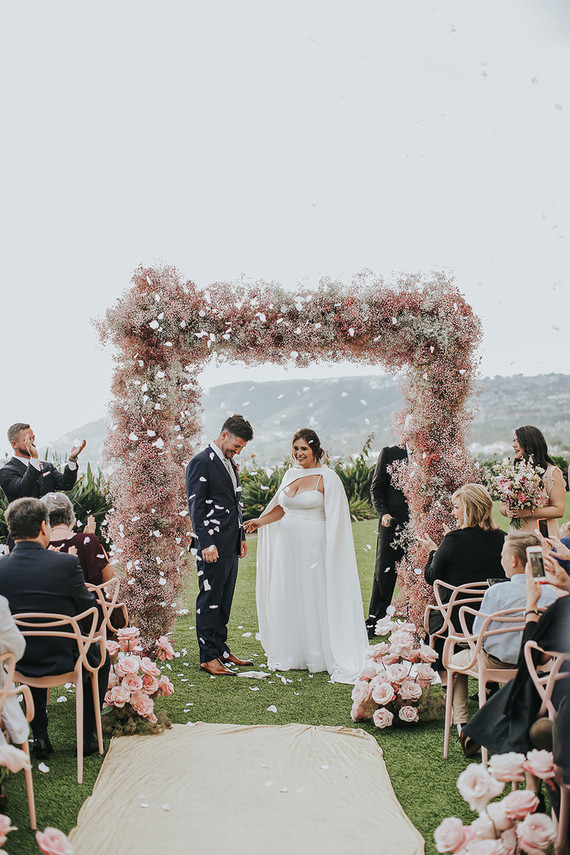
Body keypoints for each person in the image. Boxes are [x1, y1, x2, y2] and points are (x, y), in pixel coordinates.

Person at [244, 428, 368, 684]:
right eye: (296, 448)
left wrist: (332, 551)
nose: (299, 453)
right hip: (287, 547)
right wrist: (260, 521)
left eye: (304, 449)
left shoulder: (327, 477)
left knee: (314, 593)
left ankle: (321, 654)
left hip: (315, 547)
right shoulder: (290, 474)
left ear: (315, 450)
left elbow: (337, 518)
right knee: (291, 593)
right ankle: (295, 652)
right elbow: (282, 508)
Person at [0, 497, 109, 759]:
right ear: (43, 526)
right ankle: (87, 737)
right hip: (64, 660)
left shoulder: (1, 568)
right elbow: (89, 612)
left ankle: (40, 736)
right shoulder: (65, 564)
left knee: (31, 643)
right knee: (101, 660)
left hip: (17, 663)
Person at [446, 531, 558, 754]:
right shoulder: (551, 592)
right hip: (538, 665)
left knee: (454, 660)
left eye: (502, 556)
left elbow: (478, 635)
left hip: (495, 663)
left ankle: (463, 723)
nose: (501, 560)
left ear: (513, 561)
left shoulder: (496, 592)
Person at [463, 553, 570, 755]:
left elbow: (532, 657)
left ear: (513, 560)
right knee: (532, 680)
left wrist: (531, 607)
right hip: (553, 677)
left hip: (557, 695)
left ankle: (473, 729)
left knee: (529, 683)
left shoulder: (562, 606)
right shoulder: (556, 597)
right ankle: (475, 730)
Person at [186, 414, 254, 677]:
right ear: (224, 434)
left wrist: (240, 537)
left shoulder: (230, 463)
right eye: (236, 446)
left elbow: (235, 504)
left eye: (241, 448)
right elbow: (196, 506)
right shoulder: (200, 462)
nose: (237, 451)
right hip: (211, 545)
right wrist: (206, 543)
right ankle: (208, 657)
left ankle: (221, 650)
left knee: (224, 601)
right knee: (209, 599)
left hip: (229, 543)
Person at [420, 483, 506, 671]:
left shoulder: (452, 540)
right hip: (493, 619)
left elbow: (431, 577)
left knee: (439, 618)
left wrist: (434, 552)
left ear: (469, 509)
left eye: (456, 507)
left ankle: (446, 683)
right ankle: (489, 684)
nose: (453, 513)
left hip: (459, 621)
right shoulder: (503, 539)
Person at [366, 443, 411, 636]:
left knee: (417, 574)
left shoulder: (430, 453)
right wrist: (383, 514)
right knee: (383, 574)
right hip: (391, 524)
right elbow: (376, 488)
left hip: (419, 526)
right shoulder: (389, 453)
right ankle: (375, 621)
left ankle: (415, 619)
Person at [500, 425, 565, 537]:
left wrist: (528, 512)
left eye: (518, 441)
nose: (514, 445)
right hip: (517, 535)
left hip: (542, 534)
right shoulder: (513, 472)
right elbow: (502, 507)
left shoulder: (551, 473)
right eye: (514, 441)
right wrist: (508, 511)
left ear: (530, 444)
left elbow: (559, 510)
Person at [0, 423, 86, 504]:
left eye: (33, 438)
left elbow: (66, 484)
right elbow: (23, 490)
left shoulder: (47, 467)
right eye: (27, 440)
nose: (32, 442)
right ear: (14, 444)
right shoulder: (6, 471)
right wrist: (34, 458)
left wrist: (72, 459)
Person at [42, 493, 112, 586]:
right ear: (70, 513)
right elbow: (107, 576)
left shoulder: (39, 546)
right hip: (89, 595)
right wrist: (91, 540)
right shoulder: (89, 540)